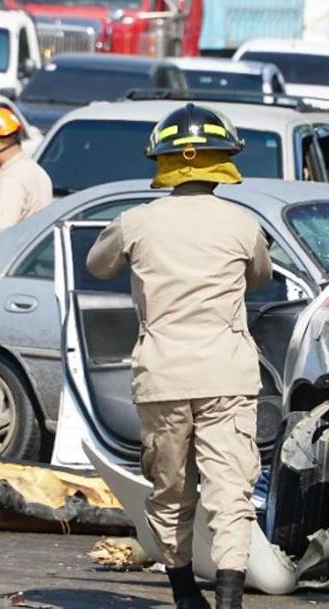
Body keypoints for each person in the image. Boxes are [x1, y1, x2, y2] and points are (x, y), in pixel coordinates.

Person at [86, 104, 271, 609]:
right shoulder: (242, 224)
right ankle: (229, 602)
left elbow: (96, 265)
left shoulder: (135, 223)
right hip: (227, 376)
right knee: (230, 493)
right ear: (222, 160)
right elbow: (260, 277)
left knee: (170, 492)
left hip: (162, 378)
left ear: (163, 161)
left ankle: (186, 594)